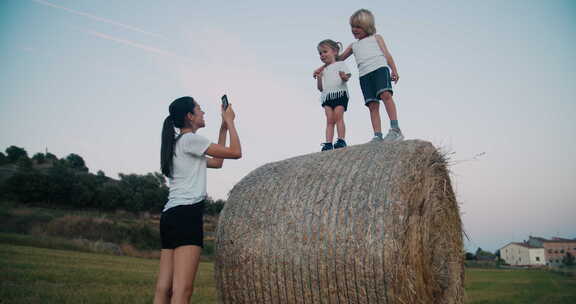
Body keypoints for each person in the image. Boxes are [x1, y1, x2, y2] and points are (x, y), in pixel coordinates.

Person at [154, 96, 241, 304]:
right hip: (187, 216)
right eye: (199, 109)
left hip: (170, 216)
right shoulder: (191, 140)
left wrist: (223, 129)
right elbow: (236, 153)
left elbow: (218, 162)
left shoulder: (177, 144)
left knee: (164, 288)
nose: (203, 113)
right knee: (183, 291)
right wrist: (231, 121)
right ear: (190, 117)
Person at [314, 9, 404, 142]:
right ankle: (377, 135)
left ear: (367, 26)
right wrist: (321, 68)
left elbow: (387, 54)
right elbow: (338, 58)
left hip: (379, 69)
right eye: (352, 27)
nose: (354, 29)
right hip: (364, 76)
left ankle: (395, 129)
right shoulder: (353, 45)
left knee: (386, 95)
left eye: (358, 27)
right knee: (372, 105)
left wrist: (394, 70)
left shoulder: (376, 38)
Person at [315, 39, 351, 151]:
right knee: (329, 120)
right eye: (320, 53)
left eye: (325, 52)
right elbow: (320, 89)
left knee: (338, 117)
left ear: (335, 51)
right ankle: (328, 143)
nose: (322, 55)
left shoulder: (340, 64)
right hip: (327, 97)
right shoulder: (324, 70)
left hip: (340, 94)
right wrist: (319, 78)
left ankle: (341, 140)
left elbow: (347, 77)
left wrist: (343, 76)